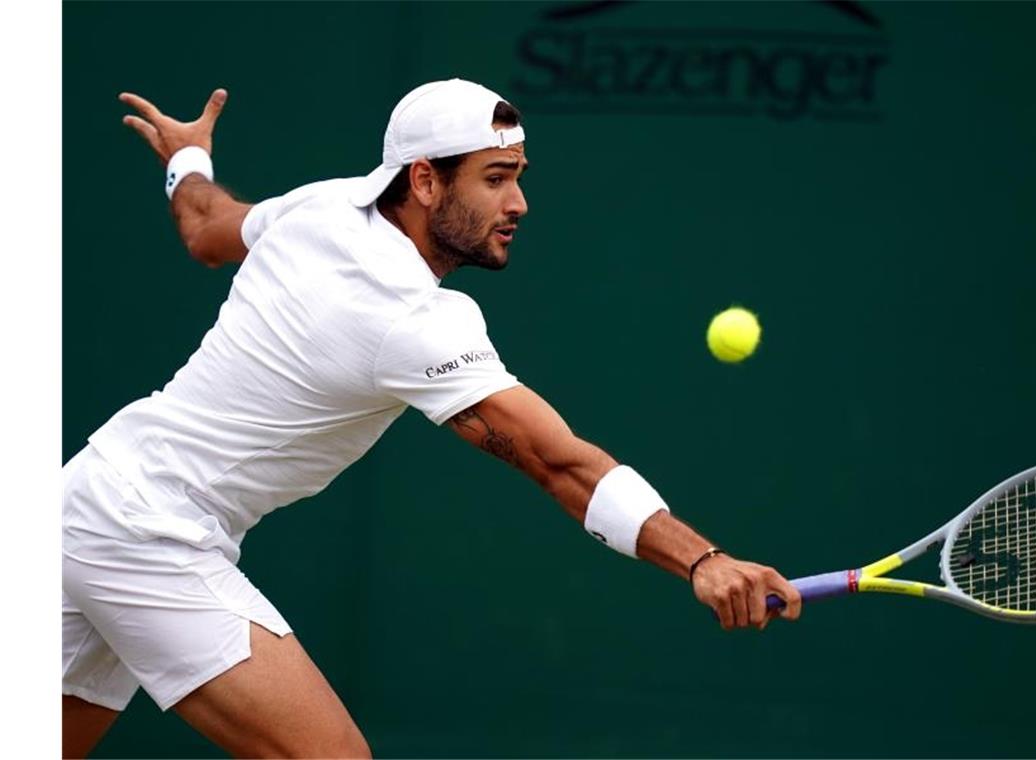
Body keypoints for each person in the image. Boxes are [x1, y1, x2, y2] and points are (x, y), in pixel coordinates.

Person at [62, 79, 802, 759]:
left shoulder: (323, 206)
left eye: (517, 179)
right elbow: (560, 463)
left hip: (87, 498)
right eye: (495, 180)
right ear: (423, 179)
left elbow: (206, 226)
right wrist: (702, 560)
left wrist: (186, 157)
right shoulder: (414, 318)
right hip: (149, 533)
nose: (519, 206)